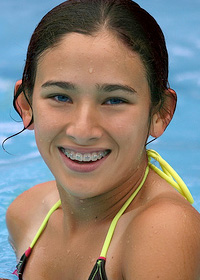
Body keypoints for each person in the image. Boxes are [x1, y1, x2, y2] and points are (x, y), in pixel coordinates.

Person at [5, 0, 200, 279]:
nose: (83, 130)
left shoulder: (164, 231)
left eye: (114, 100)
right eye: (61, 97)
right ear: (26, 105)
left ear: (160, 113)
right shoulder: (26, 214)